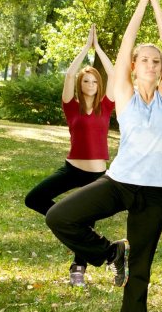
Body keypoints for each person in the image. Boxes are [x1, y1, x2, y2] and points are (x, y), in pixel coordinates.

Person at [46, 0, 162, 312]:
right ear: (135, 67)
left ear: (161, 68)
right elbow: (123, 47)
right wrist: (142, 3)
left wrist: (158, 6)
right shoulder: (122, 93)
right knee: (59, 216)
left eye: (157, 61)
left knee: (142, 269)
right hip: (118, 182)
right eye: (145, 60)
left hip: (154, 195)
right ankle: (109, 253)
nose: (151, 64)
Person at [25, 26, 115, 286]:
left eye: (94, 81)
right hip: (71, 168)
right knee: (34, 198)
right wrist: (84, 49)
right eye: (86, 81)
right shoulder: (71, 107)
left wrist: (98, 50)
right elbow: (68, 75)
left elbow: (114, 74)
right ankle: (68, 220)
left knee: (86, 219)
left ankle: (78, 269)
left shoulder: (107, 105)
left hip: (97, 174)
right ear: (80, 84)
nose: (90, 84)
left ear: (100, 85)